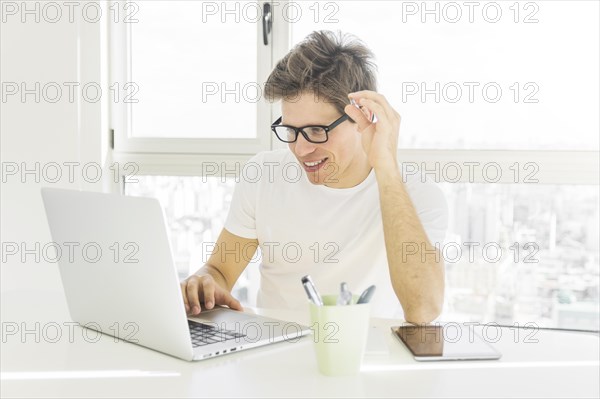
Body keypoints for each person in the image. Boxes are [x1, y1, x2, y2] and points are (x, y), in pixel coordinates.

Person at [180, 30, 448, 323]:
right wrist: (203, 282)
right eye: (291, 130)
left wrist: (386, 168)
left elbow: (423, 310)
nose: (301, 148)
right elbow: (220, 271)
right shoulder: (262, 175)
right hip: (273, 353)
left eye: (317, 131)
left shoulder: (417, 192)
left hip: (366, 356)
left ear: (363, 118)